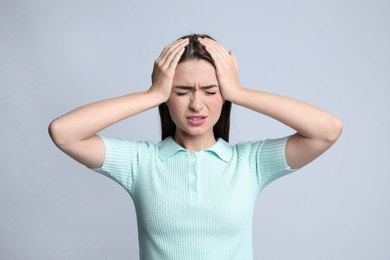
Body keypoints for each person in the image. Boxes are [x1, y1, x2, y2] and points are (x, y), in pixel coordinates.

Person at [48, 34, 343, 260]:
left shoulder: (249, 163)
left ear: (223, 95)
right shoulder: (141, 163)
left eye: (211, 90)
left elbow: (327, 129)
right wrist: (152, 94)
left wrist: (239, 91)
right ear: (168, 96)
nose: (196, 104)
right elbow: (64, 132)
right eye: (182, 91)